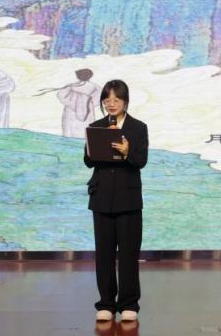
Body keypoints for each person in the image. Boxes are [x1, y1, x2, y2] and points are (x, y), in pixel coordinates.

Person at [84, 79, 148, 324]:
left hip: (128, 197)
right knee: (104, 253)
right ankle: (106, 304)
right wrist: (92, 148)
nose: (111, 104)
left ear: (125, 101)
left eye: (116, 99)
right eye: (107, 100)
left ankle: (129, 304)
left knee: (129, 253)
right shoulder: (96, 126)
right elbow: (88, 161)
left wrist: (127, 152)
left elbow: (141, 161)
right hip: (101, 196)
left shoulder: (138, 127)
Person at [34, 68, 100, 138]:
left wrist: (72, 103)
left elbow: (61, 95)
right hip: (87, 110)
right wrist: (89, 104)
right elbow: (99, 96)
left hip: (70, 111)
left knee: (70, 130)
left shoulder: (71, 86)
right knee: (85, 130)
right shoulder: (95, 87)